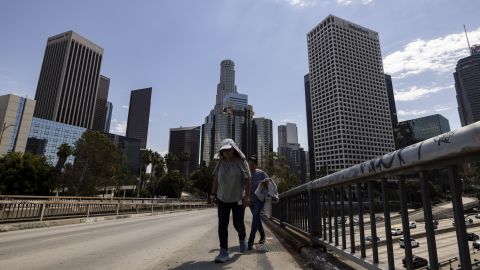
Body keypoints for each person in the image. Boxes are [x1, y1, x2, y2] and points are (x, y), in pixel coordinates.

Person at [211, 138, 251, 263]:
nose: (227, 152)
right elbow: (216, 179)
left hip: (238, 198)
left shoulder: (242, 162)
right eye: (224, 150)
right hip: (222, 198)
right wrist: (212, 195)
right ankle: (224, 252)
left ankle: (242, 238)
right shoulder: (220, 163)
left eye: (229, 150)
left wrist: (246, 197)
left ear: (234, 149)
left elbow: (248, 179)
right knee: (222, 225)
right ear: (221, 152)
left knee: (238, 223)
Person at [247, 155, 268, 250]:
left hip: (260, 199)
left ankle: (251, 239)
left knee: (255, 215)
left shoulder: (262, 173)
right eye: (249, 164)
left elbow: (269, 183)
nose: (251, 166)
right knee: (256, 218)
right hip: (251, 200)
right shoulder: (246, 174)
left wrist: (265, 184)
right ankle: (263, 236)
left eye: (252, 164)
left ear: (256, 165)